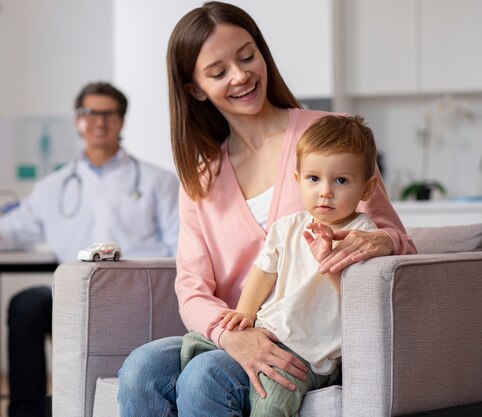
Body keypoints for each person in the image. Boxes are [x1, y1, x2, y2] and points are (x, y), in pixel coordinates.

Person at [117, 2, 416, 416]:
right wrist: (231, 335)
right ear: (195, 89)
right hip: (238, 328)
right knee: (141, 369)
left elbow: (398, 240)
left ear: (262, 52)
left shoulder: (330, 136)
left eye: (246, 56)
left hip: (308, 335)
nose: (241, 76)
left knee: (205, 376)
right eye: (219, 72)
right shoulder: (200, 177)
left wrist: (380, 241)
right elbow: (191, 287)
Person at [0, 81, 180, 417]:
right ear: (76, 120)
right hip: (75, 298)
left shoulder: (158, 182)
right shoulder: (53, 186)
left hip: (136, 298)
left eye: (108, 114)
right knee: (26, 305)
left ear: (121, 121)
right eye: (89, 113)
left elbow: (179, 247)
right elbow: (15, 227)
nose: (99, 121)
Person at [180, 114, 380, 416]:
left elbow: (357, 296)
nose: (325, 191)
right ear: (298, 180)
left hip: (308, 354)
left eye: (341, 180)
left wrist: (327, 260)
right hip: (268, 331)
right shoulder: (287, 227)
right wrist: (245, 313)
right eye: (314, 179)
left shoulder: (362, 234)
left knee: (272, 400)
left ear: (366, 189)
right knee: (194, 344)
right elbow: (262, 272)